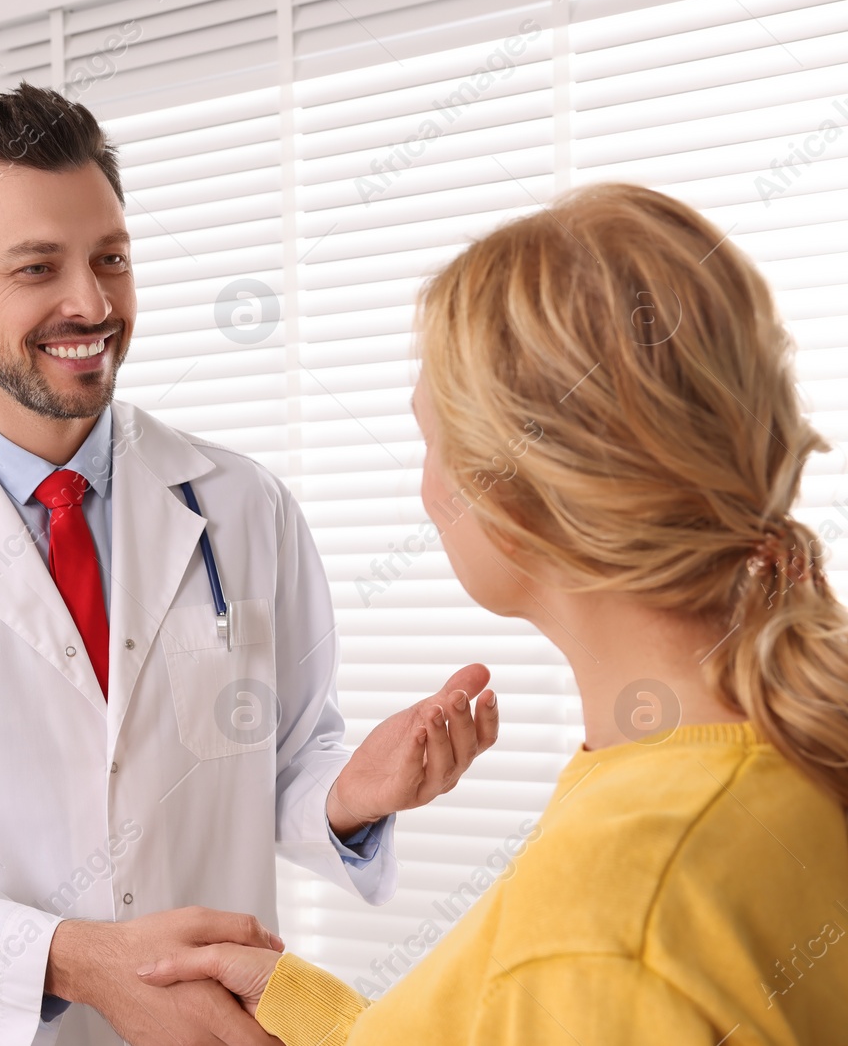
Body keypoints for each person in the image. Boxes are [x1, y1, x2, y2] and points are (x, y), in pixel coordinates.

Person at [0, 82, 498, 1046]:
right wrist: (75, 959)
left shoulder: (241, 508)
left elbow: (283, 766)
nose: (90, 303)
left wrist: (354, 794)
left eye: (111, 259)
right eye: (37, 267)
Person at [133, 182, 848, 1044]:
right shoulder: (740, 761)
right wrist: (308, 1012)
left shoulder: (619, 913)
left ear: (522, 503)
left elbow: (588, 979)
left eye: (434, 444)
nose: (425, 489)